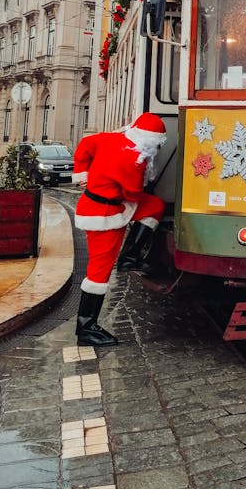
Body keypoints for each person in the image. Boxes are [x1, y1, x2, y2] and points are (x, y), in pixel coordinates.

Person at [72, 113, 167, 346]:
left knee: (154, 206)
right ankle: (86, 328)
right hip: (104, 214)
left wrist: (82, 173)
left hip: (102, 204)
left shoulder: (110, 138)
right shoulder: (134, 160)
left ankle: (130, 257)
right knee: (98, 272)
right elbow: (132, 193)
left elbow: (85, 145)